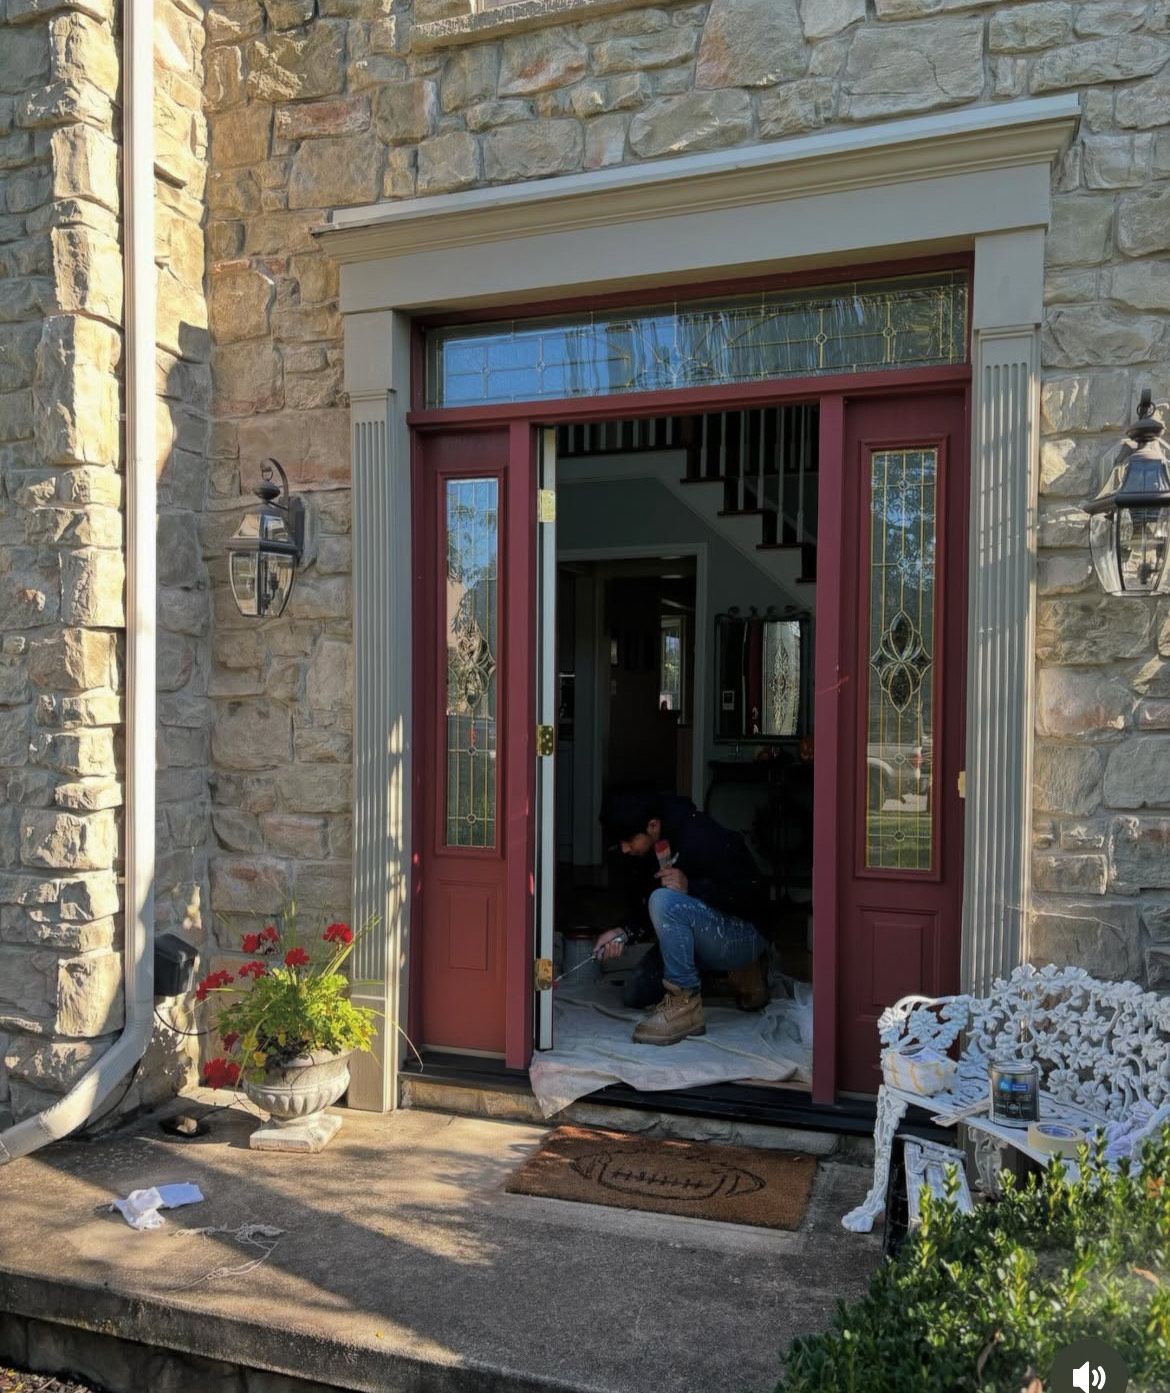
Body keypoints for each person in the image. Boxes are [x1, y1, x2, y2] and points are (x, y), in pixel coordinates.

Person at [595, 791, 771, 1047]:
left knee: (663, 900)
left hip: (743, 932)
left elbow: (752, 894)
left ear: (652, 825)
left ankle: (686, 1004)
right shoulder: (644, 852)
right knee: (635, 992)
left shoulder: (700, 835)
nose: (624, 849)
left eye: (629, 840)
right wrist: (624, 931)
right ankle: (735, 977)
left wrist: (692, 888)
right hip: (697, 931)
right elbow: (648, 907)